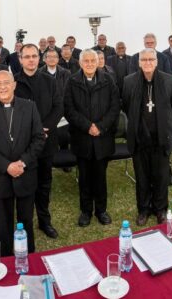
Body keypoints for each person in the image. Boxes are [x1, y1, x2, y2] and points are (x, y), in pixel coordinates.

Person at [0, 70, 45, 256]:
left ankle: (29, 256)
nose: (2, 87)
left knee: (26, 221)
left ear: (14, 85)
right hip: (1, 176)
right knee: (3, 224)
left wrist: (22, 162)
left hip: (26, 173)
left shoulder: (29, 107)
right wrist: (7, 166)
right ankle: (7, 258)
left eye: (6, 82)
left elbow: (39, 138)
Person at [121, 48, 172, 226]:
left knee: (161, 176)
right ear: (139, 62)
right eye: (144, 60)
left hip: (161, 138)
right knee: (142, 177)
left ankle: (160, 208)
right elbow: (126, 106)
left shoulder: (169, 81)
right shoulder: (129, 81)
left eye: (150, 59)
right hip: (139, 139)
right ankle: (144, 209)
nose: (147, 63)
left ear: (156, 61)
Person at [64, 49, 120, 226]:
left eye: (92, 61)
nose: (89, 64)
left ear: (98, 62)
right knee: (85, 178)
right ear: (80, 63)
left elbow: (114, 106)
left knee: (100, 177)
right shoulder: (72, 81)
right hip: (82, 137)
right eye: (85, 61)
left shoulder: (108, 80)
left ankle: (101, 210)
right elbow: (69, 109)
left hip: (102, 138)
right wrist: (88, 126)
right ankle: (86, 211)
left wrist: (101, 127)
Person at [14, 44, 63, 239]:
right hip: (22, 144)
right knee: (25, 185)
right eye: (27, 57)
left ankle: (44, 221)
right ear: (20, 59)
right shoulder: (14, 82)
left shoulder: (50, 81)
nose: (31, 60)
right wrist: (31, 131)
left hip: (46, 140)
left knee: (44, 184)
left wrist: (45, 128)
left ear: (39, 58)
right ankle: (23, 224)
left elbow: (59, 106)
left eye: (34, 56)